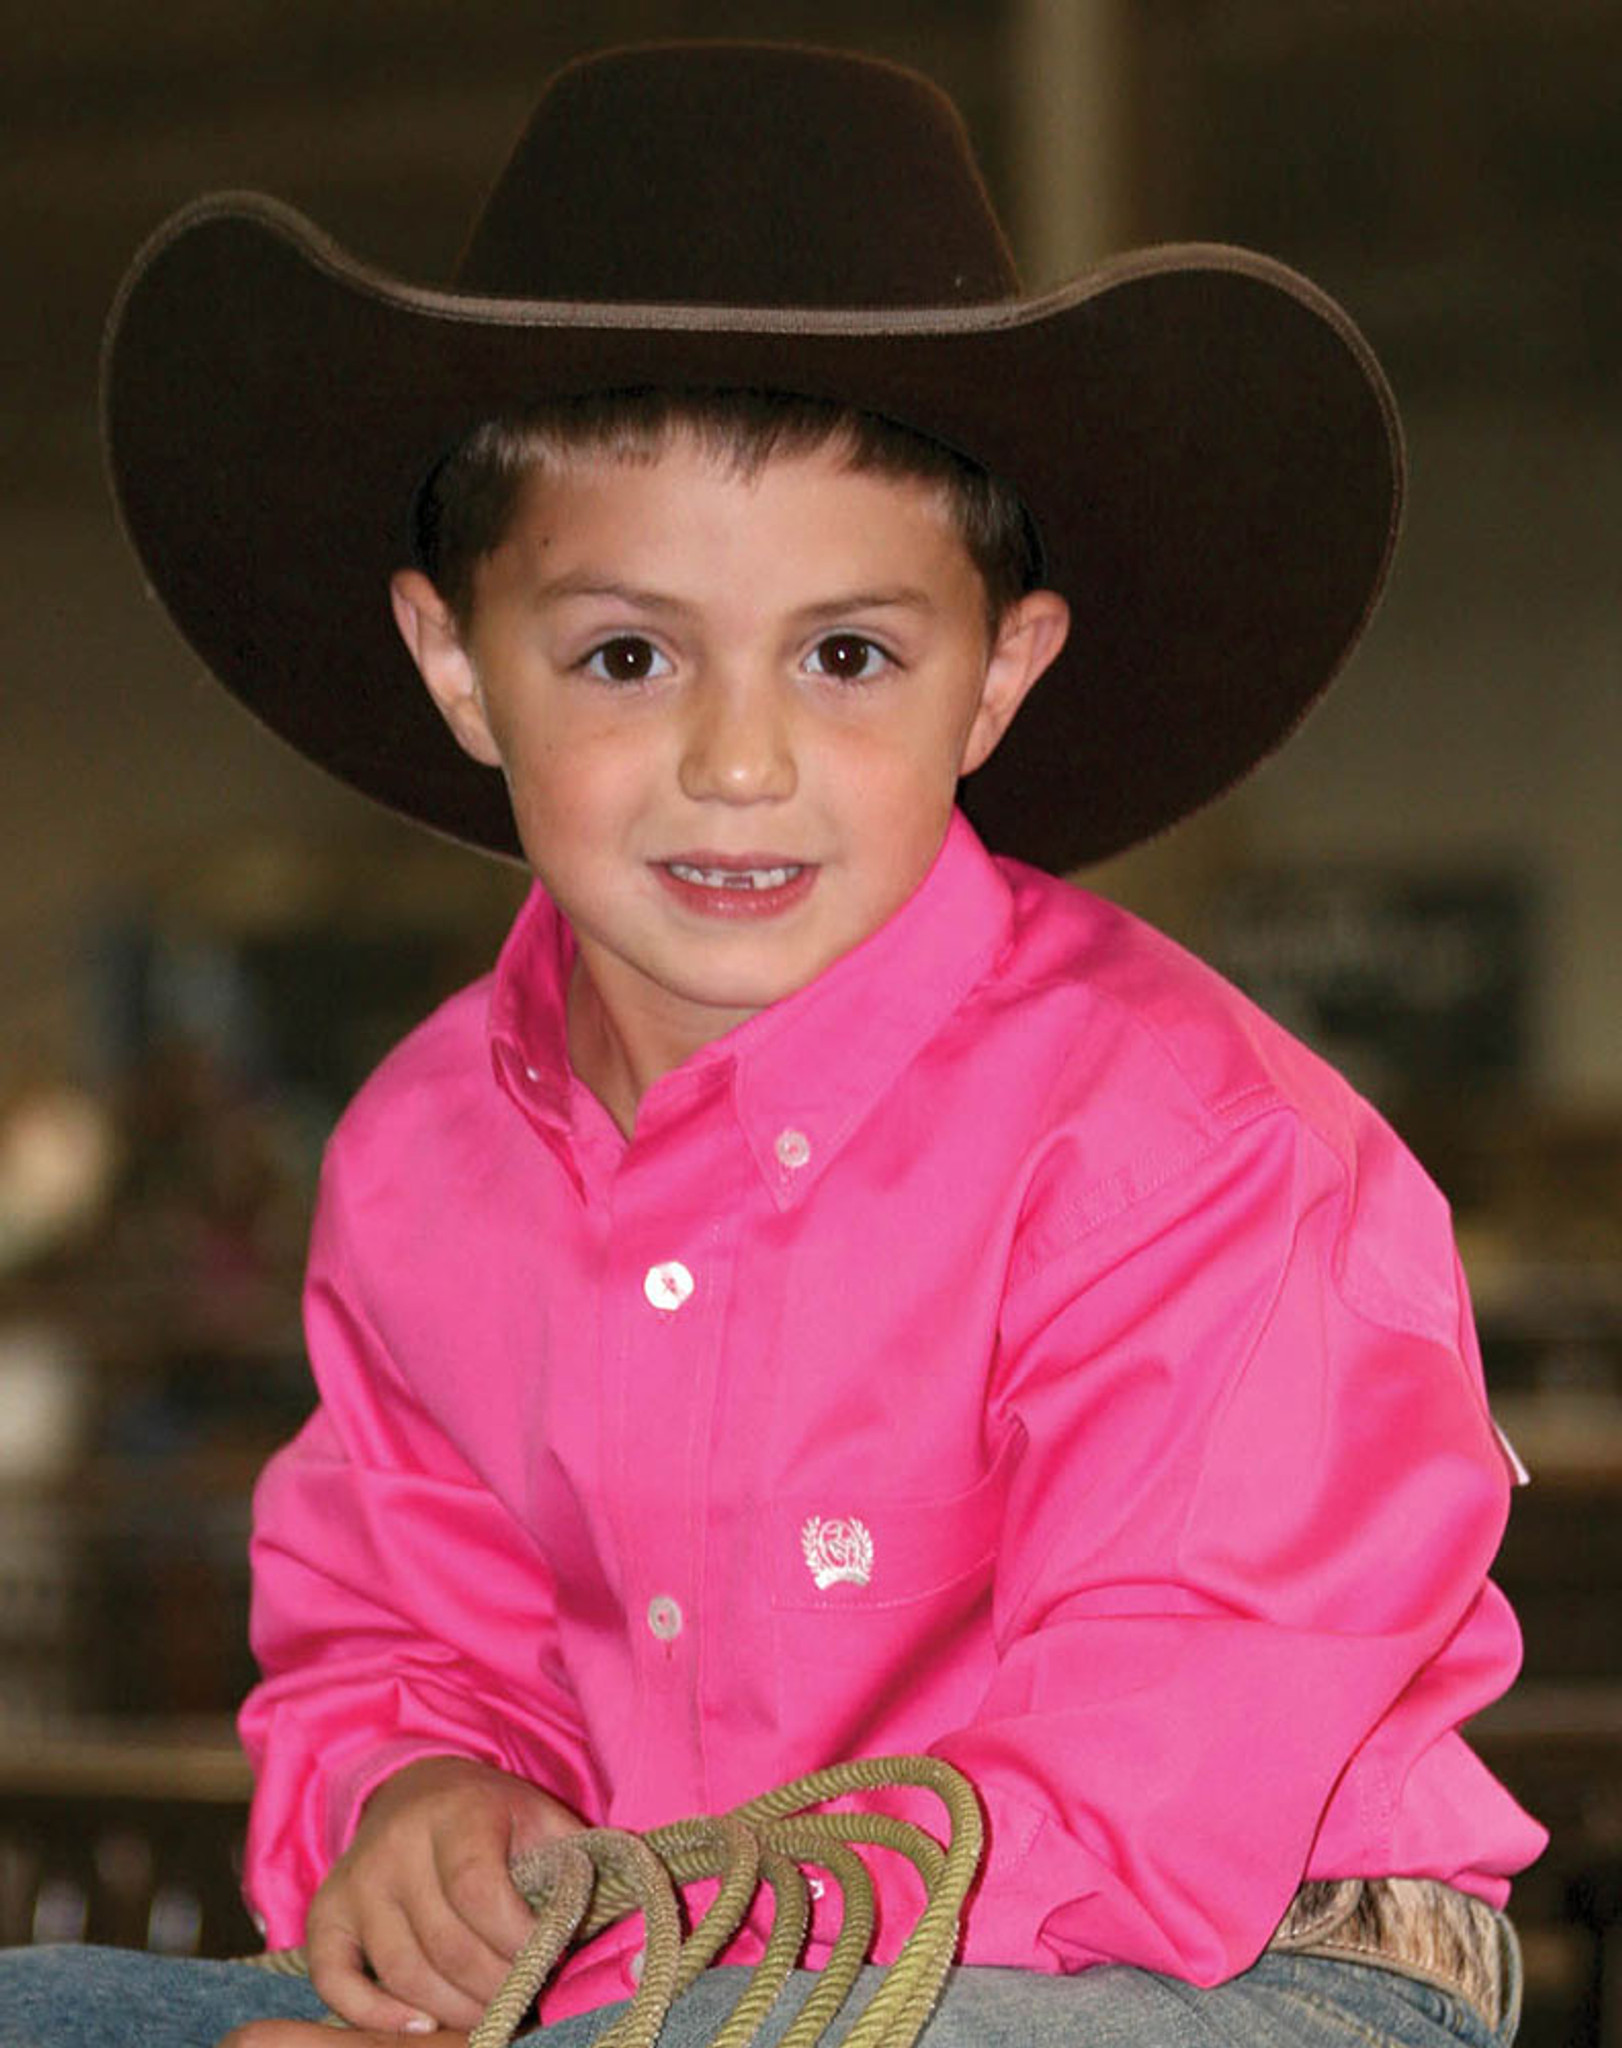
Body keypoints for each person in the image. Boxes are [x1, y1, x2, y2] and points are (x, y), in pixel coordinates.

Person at [5, 39, 1544, 2048]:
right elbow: (407, 1622)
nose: (738, 762)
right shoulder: (415, 1155)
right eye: (626, 654)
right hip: (679, 1982)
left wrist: (594, 2004)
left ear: (996, 678)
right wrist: (426, 1800)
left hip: (1236, 1967)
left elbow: (1143, 1789)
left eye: (848, 654)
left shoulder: (1192, 1149)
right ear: (455, 664)